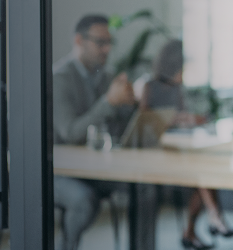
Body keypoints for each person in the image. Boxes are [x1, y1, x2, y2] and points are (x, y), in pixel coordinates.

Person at [52, 15, 157, 250]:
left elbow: (120, 130)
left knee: (144, 188)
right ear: (79, 40)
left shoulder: (108, 77)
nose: (107, 49)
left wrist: (135, 103)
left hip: (95, 168)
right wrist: (109, 101)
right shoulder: (58, 79)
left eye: (110, 42)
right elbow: (71, 133)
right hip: (58, 171)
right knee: (83, 200)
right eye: (101, 42)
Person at [139, 40, 233, 250]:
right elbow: (145, 120)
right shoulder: (150, 86)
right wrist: (174, 119)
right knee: (202, 173)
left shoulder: (177, 88)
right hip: (158, 152)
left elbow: (180, 115)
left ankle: (195, 229)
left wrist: (193, 119)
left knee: (204, 171)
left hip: (179, 145)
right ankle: (213, 217)